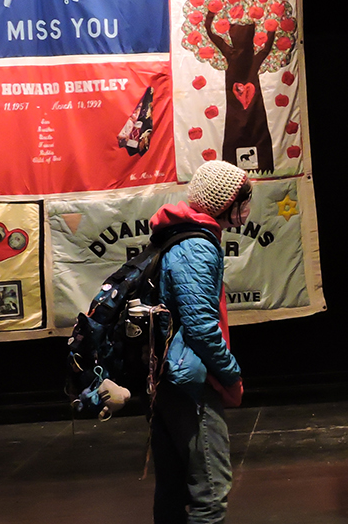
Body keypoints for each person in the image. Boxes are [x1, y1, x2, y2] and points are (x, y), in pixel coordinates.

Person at [147, 160, 250, 524]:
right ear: (226, 204)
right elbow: (201, 328)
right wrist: (231, 375)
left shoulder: (179, 234)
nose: (248, 208)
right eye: (244, 200)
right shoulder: (197, 247)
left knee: (173, 492)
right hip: (190, 383)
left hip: (169, 377)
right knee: (211, 495)